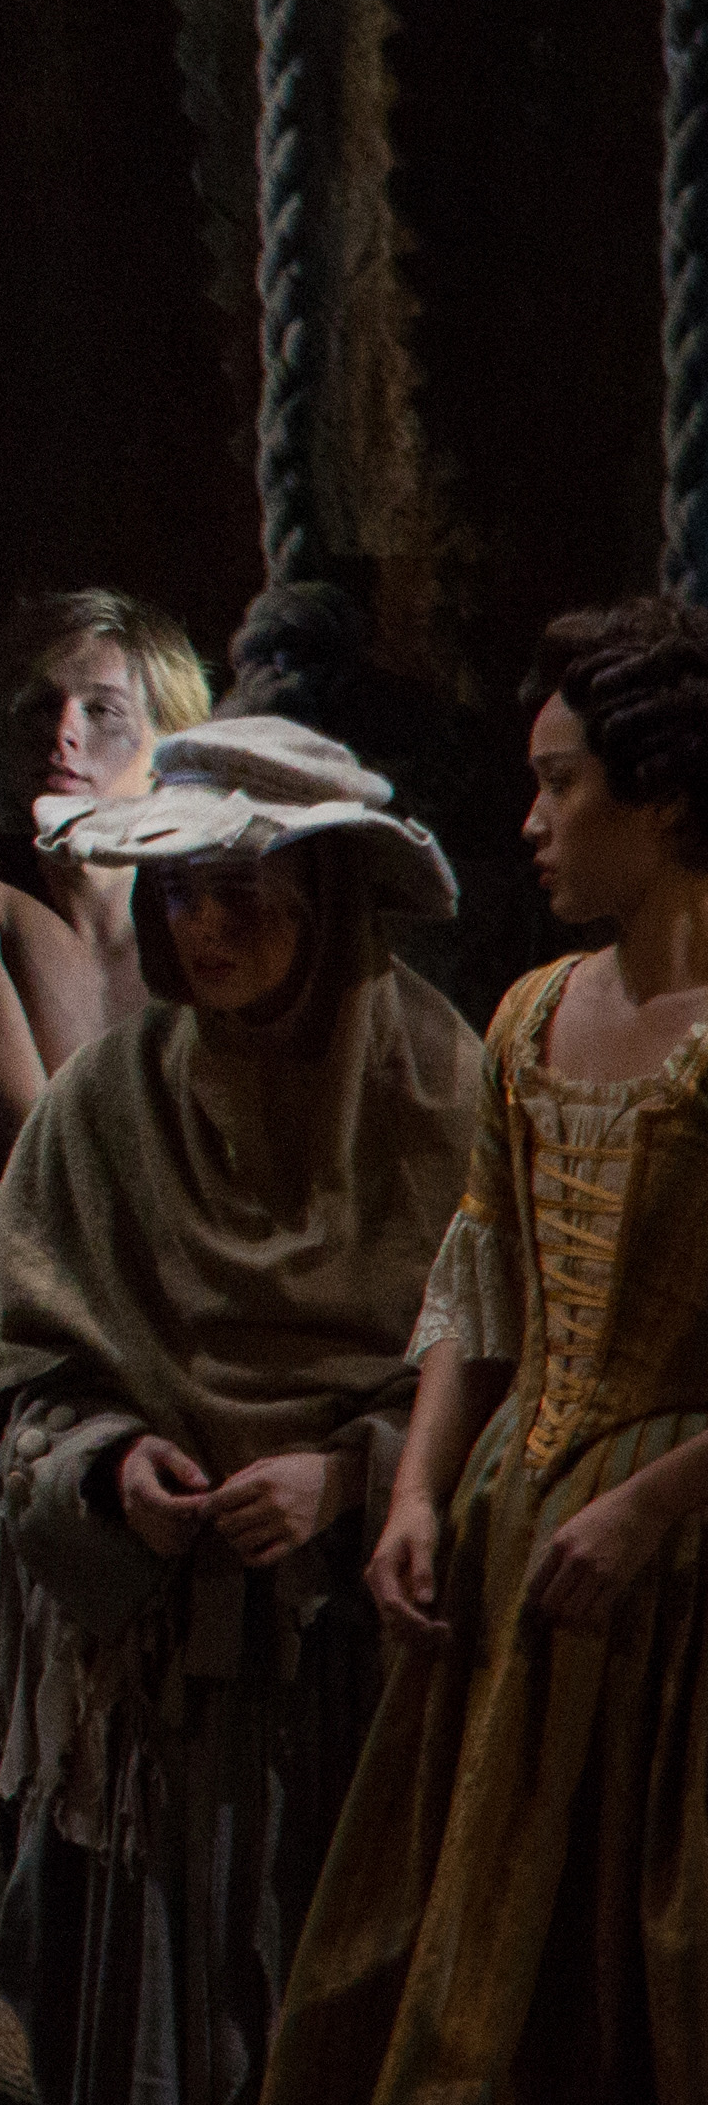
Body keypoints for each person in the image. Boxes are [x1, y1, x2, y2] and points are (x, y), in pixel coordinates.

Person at [0, 718, 478, 2104]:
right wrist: (112, 1466)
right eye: (180, 893)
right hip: (157, 1690)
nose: (208, 928)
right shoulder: (109, 1103)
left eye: (244, 893)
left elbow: (517, 1362)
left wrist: (353, 1473)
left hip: (366, 1657)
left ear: (328, 898)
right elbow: (14, 1375)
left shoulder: (444, 1095)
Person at [266, 601, 708, 2103]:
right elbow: (480, 1286)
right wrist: (413, 1493)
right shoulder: (527, 1019)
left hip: (681, 1565)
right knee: (463, 1958)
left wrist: (654, 1502)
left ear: (661, 785)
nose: (531, 821)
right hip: (515, 1541)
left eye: (562, 782)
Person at [0, 592, 208, 1161]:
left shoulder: (205, 898)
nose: (64, 733)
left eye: (103, 710)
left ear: (167, 743)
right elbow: (30, 1157)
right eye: (43, 705)